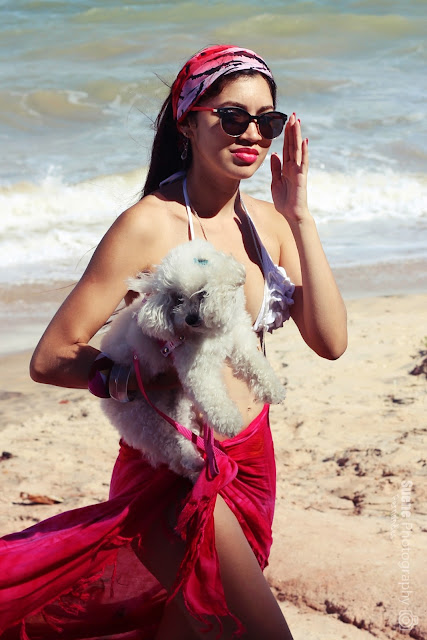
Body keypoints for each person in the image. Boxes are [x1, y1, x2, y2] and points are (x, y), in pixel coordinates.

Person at [0, 45, 347, 639]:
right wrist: (135, 378)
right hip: (178, 468)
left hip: (253, 461)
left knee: (185, 628)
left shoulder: (269, 225)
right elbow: (51, 356)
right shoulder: (148, 224)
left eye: (266, 121)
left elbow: (331, 340)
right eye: (232, 117)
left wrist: (300, 216)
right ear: (188, 121)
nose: (252, 134)